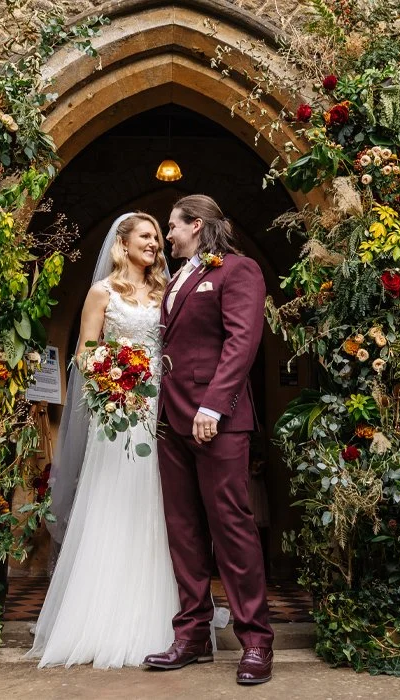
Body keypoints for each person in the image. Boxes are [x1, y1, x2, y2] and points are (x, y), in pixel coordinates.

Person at [26, 212, 179, 669]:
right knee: (111, 502)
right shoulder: (102, 292)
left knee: (156, 505)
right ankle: (97, 617)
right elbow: (85, 354)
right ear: (123, 243)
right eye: (147, 237)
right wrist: (115, 385)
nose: (155, 244)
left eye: (157, 237)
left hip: (159, 411)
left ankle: (158, 616)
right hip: (119, 412)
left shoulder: (166, 292)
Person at [143, 195, 274, 685]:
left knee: (231, 527)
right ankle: (193, 635)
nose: (167, 236)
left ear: (195, 225)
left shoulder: (239, 270)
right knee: (184, 530)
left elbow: (243, 341)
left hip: (215, 421)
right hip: (169, 421)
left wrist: (213, 406)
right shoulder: (175, 279)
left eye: (172, 227)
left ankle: (256, 642)